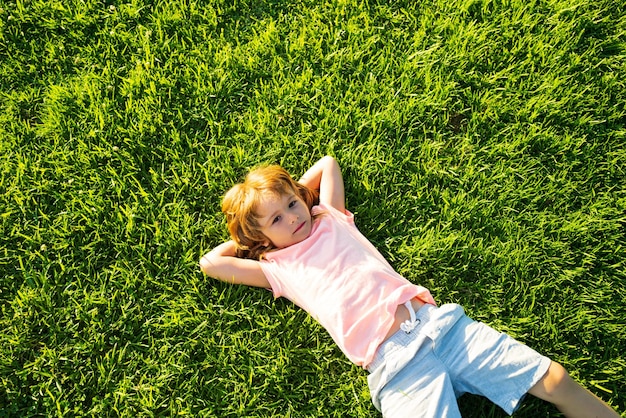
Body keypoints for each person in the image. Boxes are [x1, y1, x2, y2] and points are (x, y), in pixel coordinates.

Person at [200, 156, 619, 417]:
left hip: (440, 328)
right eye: (277, 220)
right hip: (394, 366)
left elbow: (328, 164)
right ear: (262, 240)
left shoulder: (330, 216)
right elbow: (212, 263)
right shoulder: (277, 267)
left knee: (555, 379)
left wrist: (293, 197)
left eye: (292, 203)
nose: (293, 217)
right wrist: (251, 238)